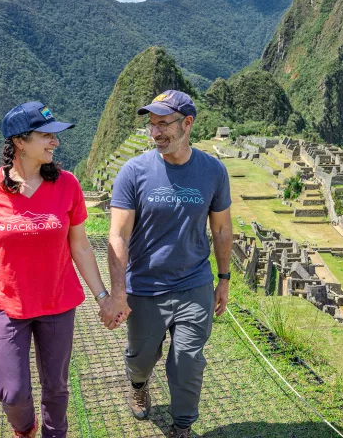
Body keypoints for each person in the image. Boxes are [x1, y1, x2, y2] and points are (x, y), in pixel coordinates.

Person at [0, 101, 114, 438]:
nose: (54, 142)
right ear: (19, 141)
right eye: (46, 135)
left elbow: (81, 246)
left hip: (58, 303)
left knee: (56, 387)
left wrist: (103, 296)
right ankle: (24, 428)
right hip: (7, 305)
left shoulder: (67, 185)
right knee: (12, 393)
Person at [98, 90, 233, 438]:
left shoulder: (213, 171)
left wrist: (224, 279)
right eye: (151, 125)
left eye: (164, 124)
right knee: (141, 357)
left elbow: (220, 229)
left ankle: (182, 426)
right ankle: (139, 384)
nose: (156, 133)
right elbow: (118, 236)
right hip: (144, 286)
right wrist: (118, 293)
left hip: (193, 284)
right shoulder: (134, 171)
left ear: (187, 124)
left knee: (187, 361)